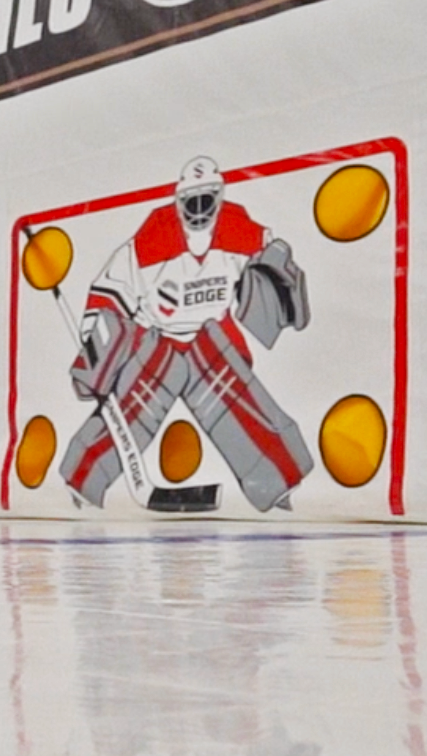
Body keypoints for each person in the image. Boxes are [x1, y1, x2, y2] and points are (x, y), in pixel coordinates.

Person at [60, 156, 313, 511]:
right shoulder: (152, 239)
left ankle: (279, 483)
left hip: (212, 339)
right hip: (159, 339)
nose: (198, 209)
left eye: (205, 199)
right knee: (131, 408)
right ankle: (82, 481)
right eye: (190, 201)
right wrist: (96, 342)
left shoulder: (244, 233)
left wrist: (276, 279)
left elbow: (273, 270)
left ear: (219, 196)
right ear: (179, 200)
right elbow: (111, 288)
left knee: (241, 407)